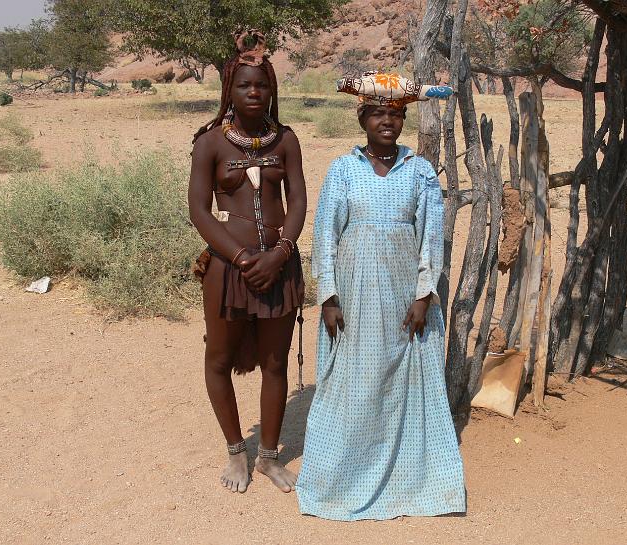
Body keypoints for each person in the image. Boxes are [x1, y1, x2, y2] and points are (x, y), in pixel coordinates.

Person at [296, 72, 465, 520]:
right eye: (377, 114)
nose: (386, 122)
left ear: (403, 119)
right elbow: (325, 234)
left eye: (394, 114)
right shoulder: (343, 168)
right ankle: (340, 481)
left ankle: (411, 480)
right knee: (351, 385)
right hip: (352, 300)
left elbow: (431, 236)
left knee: (401, 385)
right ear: (363, 119)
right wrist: (328, 298)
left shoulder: (420, 170)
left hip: (402, 298)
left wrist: (423, 296)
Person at [188, 30, 307, 494]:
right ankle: (237, 450)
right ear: (229, 91)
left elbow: (297, 201)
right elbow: (199, 209)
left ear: (272, 89)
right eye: (244, 86)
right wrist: (240, 258)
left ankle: (270, 457)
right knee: (218, 359)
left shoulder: (287, 140)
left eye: (261, 85)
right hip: (227, 270)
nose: (254, 93)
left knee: (275, 363)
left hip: (278, 266)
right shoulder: (210, 143)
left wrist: (280, 253)